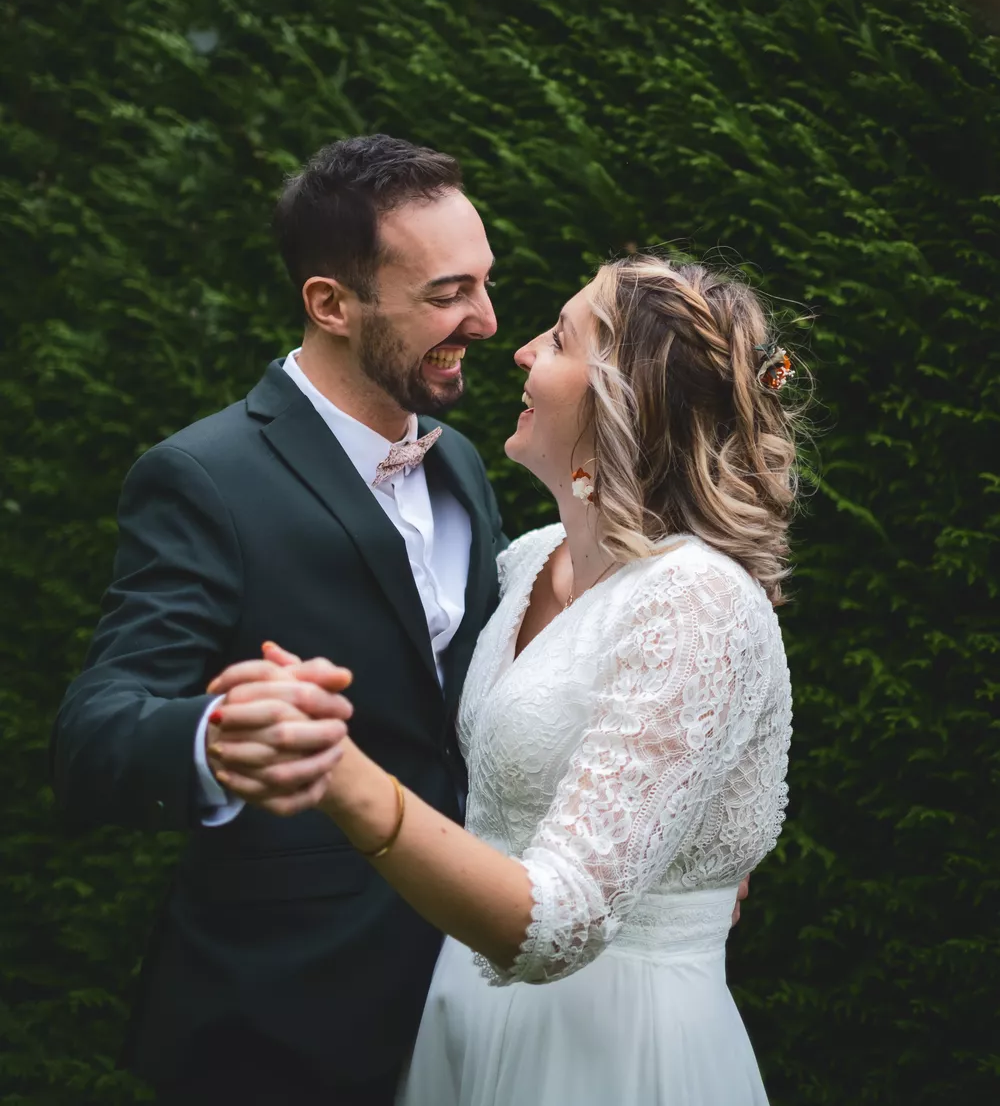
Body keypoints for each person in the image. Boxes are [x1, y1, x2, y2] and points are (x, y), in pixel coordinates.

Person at [206, 252, 797, 1106]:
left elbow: (562, 922)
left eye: (558, 339)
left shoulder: (699, 598)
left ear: (620, 400)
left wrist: (336, 770)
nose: (519, 351)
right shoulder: (527, 565)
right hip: (463, 1020)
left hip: (616, 1049)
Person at [50, 135, 507, 1105]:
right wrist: (214, 740)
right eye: (446, 294)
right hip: (279, 1018)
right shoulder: (203, 477)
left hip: (472, 999)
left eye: (485, 284)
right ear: (330, 304)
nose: (486, 320)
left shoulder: (460, 462)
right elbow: (93, 732)